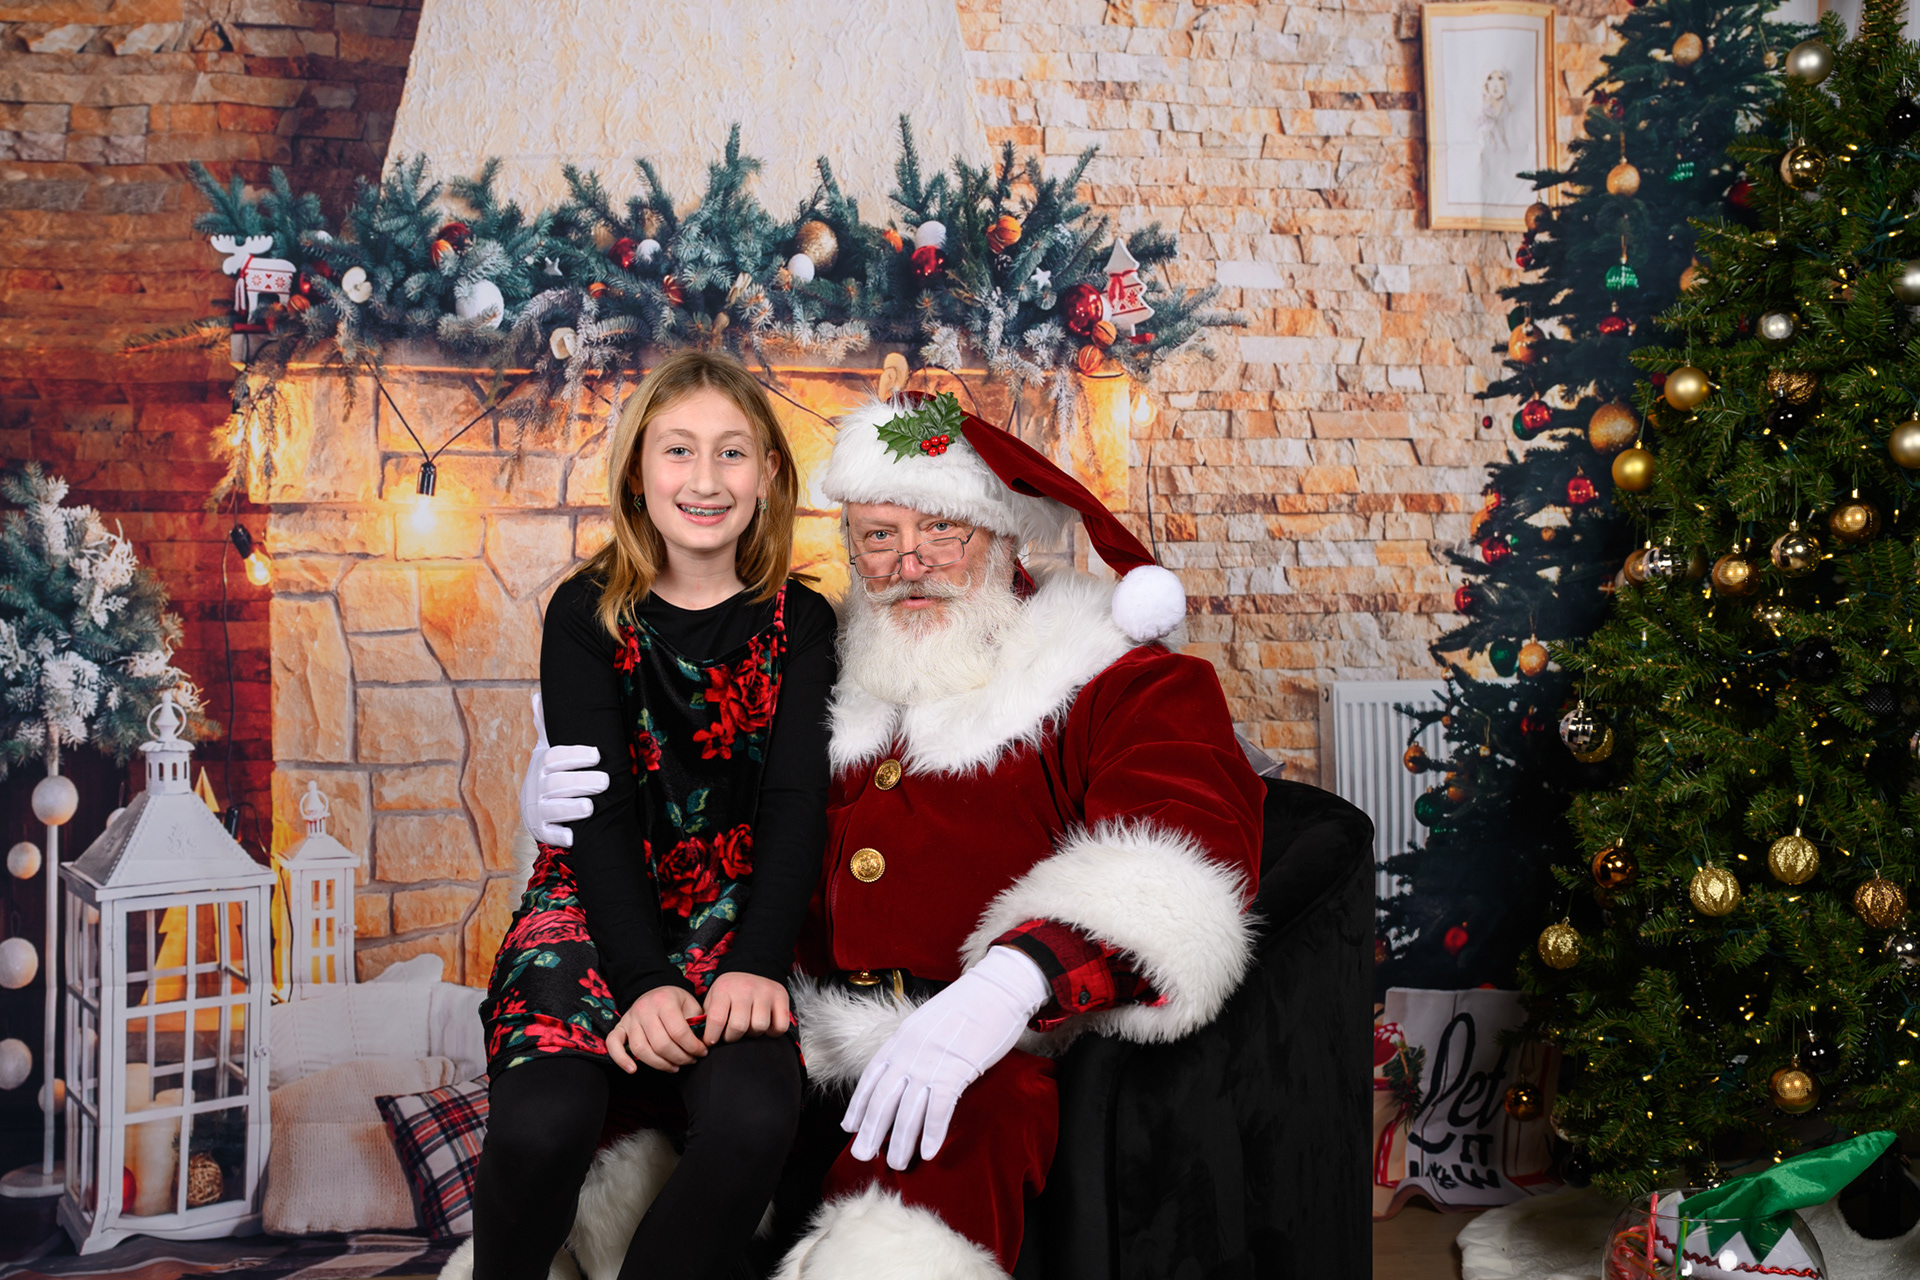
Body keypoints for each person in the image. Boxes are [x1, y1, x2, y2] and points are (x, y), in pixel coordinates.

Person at [526, 392, 1265, 1279]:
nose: (910, 562)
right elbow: (697, 794)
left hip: (983, 1055)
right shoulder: (814, 658)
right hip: (782, 1030)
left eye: (942, 529)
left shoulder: (1111, 673)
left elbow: (1183, 853)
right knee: (588, 1167)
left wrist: (1009, 985)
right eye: (879, 535)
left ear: (1003, 535)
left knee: (905, 1227)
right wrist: (572, 805)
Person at [470, 350, 836, 1280]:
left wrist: (757, 961)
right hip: (596, 906)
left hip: (735, 915)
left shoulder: (803, 623)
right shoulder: (586, 613)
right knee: (542, 1126)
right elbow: (599, 815)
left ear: (768, 475)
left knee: (755, 1119)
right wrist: (640, 982)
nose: (705, 480)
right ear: (638, 472)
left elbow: (797, 803)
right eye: (678, 451)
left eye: (731, 453)